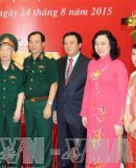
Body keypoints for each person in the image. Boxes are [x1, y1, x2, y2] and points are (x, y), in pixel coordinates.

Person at [80, 30, 128, 168]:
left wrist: (119, 121)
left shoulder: (118, 66)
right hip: (92, 114)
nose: (99, 47)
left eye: (103, 43)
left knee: (109, 153)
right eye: (96, 44)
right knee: (94, 150)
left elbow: (122, 95)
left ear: (111, 45)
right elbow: (88, 90)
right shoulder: (91, 64)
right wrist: (84, 112)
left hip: (111, 117)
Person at [53, 32, 90, 168]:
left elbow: (90, 91)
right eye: (65, 43)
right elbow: (56, 88)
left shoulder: (88, 63)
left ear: (80, 45)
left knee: (80, 153)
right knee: (64, 151)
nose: (68, 46)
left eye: (72, 42)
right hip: (62, 113)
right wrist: (55, 110)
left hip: (79, 115)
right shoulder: (59, 62)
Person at [23, 31, 58, 168]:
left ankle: (44, 166)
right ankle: (35, 164)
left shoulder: (49, 62)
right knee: (32, 136)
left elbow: (54, 84)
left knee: (44, 137)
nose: (33, 45)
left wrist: (49, 105)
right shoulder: (26, 61)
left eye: (37, 42)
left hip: (43, 103)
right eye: (31, 42)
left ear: (43, 44)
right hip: (29, 104)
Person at [0, 33, 24, 167]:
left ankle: (15, 165)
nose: (5, 53)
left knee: (13, 140)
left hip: (13, 111)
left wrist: (18, 109)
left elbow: (21, 92)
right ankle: (1, 164)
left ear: (13, 52)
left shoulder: (18, 70)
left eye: (8, 50)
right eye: (2, 49)